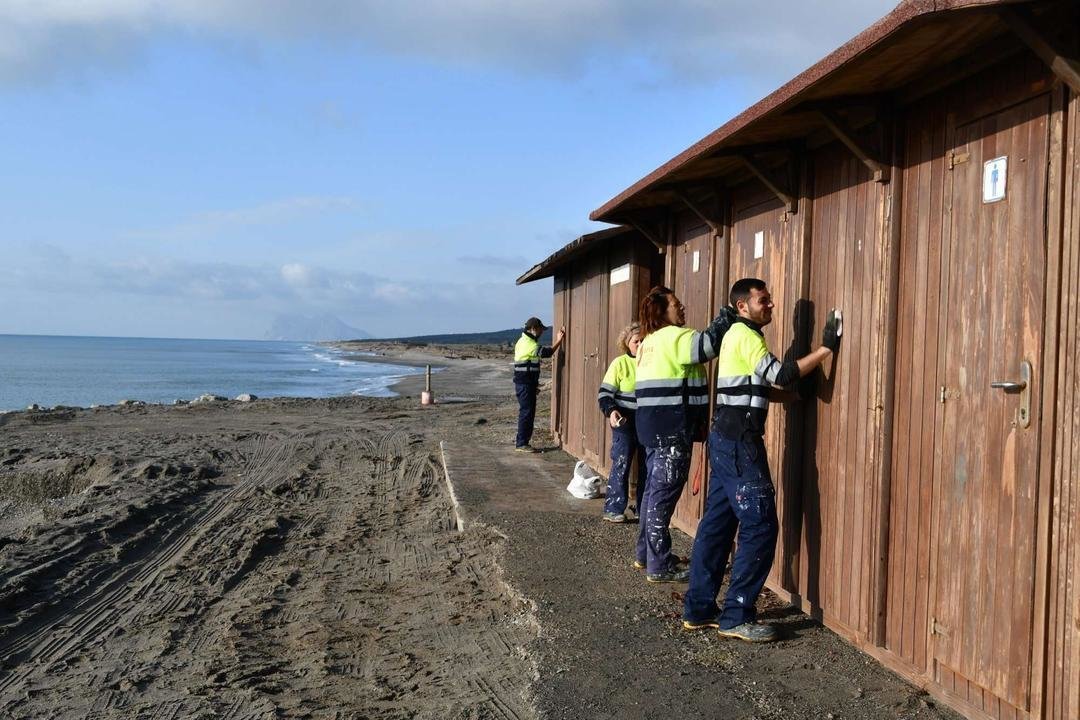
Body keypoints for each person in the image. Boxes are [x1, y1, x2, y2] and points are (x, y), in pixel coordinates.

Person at [682, 278, 841, 642]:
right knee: (760, 526)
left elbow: (758, 387)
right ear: (742, 307)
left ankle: (700, 608)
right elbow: (782, 375)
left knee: (717, 525)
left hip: (727, 439)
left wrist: (795, 398)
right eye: (763, 301)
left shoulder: (737, 338)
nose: (770, 305)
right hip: (740, 444)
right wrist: (825, 349)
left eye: (770, 300)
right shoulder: (745, 336)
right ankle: (737, 614)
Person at [634, 287, 736, 583]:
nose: (683, 308)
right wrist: (727, 315)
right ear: (662, 311)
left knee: (653, 494)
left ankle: (646, 554)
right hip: (672, 430)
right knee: (662, 498)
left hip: (653, 429)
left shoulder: (648, 343)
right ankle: (660, 565)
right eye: (677, 305)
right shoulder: (675, 337)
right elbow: (708, 345)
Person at [596, 322, 645, 524]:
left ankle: (643, 508)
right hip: (624, 421)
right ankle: (614, 508)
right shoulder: (619, 363)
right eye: (636, 341)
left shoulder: (654, 362)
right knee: (622, 463)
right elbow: (605, 394)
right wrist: (612, 411)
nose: (640, 344)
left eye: (643, 340)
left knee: (648, 466)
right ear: (627, 344)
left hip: (646, 421)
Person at [513, 317, 565, 453]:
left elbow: (529, 366)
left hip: (524, 384)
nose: (542, 333)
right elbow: (546, 353)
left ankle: (522, 442)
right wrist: (560, 340)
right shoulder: (530, 344)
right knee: (526, 413)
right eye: (541, 330)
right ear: (533, 329)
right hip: (525, 385)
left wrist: (533, 385)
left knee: (526, 412)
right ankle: (522, 444)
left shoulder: (522, 341)